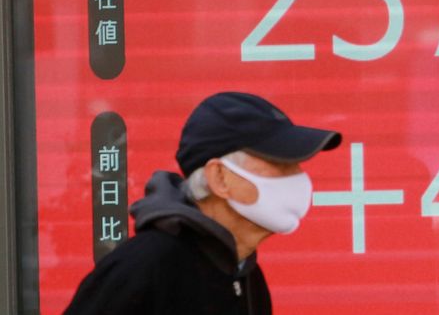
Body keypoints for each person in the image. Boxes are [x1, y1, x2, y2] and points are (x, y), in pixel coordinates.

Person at [64, 91, 342, 315]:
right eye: (280, 164)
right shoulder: (146, 266)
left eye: (297, 165)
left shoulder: (247, 275)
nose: (298, 178)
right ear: (219, 177)